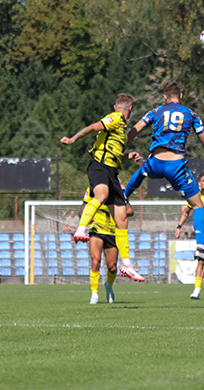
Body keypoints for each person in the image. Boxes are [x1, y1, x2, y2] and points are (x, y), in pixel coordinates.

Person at [125, 81, 204, 266]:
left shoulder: (155, 111)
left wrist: (123, 148)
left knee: (142, 171)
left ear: (165, 96)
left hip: (156, 162)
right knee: (198, 206)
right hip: (176, 166)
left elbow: (134, 130)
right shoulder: (191, 114)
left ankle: (124, 195)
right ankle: (200, 247)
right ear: (181, 96)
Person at [60, 93, 144, 282]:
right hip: (100, 166)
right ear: (129, 109)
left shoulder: (121, 129)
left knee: (122, 218)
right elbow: (92, 127)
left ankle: (127, 265)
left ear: (117, 106)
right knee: (101, 194)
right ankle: (81, 229)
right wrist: (73, 139)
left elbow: (113, 154)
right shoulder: (115, 118)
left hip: (112, 171)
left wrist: (129, 156)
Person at [85, 188, 133, 304]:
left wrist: (119, 211)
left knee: (112, 267)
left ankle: (109, 286)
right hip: (96, 229)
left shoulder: (119, 190)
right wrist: (87, 216)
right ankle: (94, 294)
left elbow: (130, 211)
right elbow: (82, 209)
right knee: (95, 261)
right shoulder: (93, 189)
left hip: (113, 232)